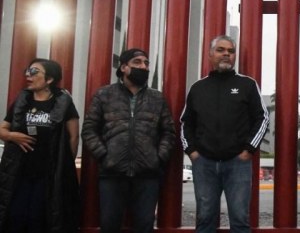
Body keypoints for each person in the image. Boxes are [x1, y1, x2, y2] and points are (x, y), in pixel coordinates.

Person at [181, 35, 269, 233]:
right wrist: (192, 152)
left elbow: (262, 118)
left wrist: (249, 150)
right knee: (204, 218)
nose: (226, 54)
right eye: (221, 50)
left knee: (239, 219)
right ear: (211, 55)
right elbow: (186, 123)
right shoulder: (198, 88)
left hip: (238, 163)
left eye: (230, 51)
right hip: (204, 163)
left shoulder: (247, 85)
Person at [81, 48, 176, 233]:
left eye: (146, 63)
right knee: (109, 225)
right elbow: (89, 130)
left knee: (144, 226)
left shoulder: (157, 98)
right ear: (124, 67)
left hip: (148, 175)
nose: (144, 67)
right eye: (138, 63)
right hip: (112, 174)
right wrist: (104, 156)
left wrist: (158, 158)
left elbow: (169, 133)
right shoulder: (104, 95)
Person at [0, 58, 80, 233]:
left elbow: (74, 137)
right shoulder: (22, 99)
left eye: (34, 72)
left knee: (38, 217)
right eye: (28, 71)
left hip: (49, 173)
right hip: (19, 170)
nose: (29, 75)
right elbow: (2, 129)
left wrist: (64, 164)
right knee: (15, 216)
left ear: (49, 79)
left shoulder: (63, 102)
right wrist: (13, 136)